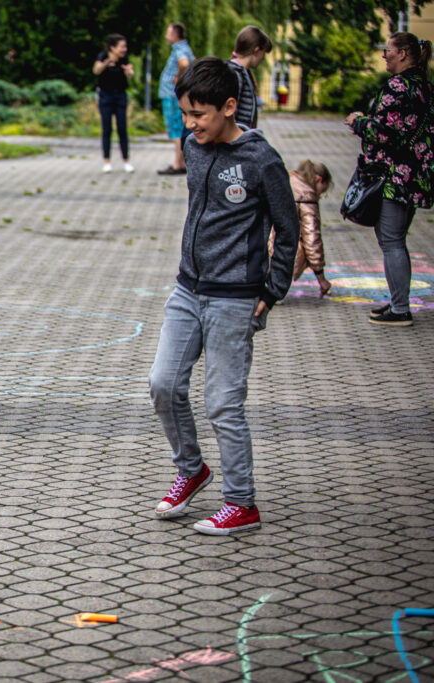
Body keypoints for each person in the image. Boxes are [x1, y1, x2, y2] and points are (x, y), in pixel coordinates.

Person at [148, 57, 299, 535]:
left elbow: (289, 230)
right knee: (163, 385)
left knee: (222, 403)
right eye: (186, 115)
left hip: (235, 298)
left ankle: (241, 503)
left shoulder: (261, 159)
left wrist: (272, 290)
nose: (190, 126)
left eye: (199, 115)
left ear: (230, 107)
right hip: (187, 289)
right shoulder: (195, 148)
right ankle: (192, 471)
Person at [345, 32, 433, 327]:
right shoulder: (424, 87)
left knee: (392, 241)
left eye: (389, 50)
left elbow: (384, 133)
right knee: (393, 239)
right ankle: (398, 302)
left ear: (404, 54)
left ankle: (400, 309)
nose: (384, 55)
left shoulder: (398, 87)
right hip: (413, 174)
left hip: (396, 176)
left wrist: (357, 121)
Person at [286, 160, 333, 297]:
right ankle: (275, 286)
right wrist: (321, 279)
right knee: (303, 247)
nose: (319, 196)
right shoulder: (306, 197)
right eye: (322, 191)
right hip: (277, 255)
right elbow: (312, 239)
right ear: (318, 179)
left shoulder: (285, 181)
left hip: (258, 251)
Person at [94, 33, 135, 173]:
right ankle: (107, 161)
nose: (124, 49)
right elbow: (96, 70)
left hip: (120, 96)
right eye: (122, 46)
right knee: (107, 129)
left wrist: (129, 71)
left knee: (122, 128)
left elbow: (130, 74)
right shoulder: (102, 56)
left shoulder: (124, 59)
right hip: (105, 96)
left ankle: (126, 161)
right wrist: (106, 63)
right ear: (112, 47)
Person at [157, 22, 194, 175]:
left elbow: (184, 63)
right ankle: (182, 163)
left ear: (174, 35)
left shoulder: (179, 49)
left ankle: (177, 164)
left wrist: (178, 76)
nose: (166, 36)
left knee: (176, 129)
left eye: (168, 33)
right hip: (174, 94)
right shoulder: (185, 48)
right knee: (180, 129)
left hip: (172, 94)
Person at [228, 26, 272, 129]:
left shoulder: (242, 72)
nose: (263, 59)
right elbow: (230, 114)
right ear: (256, 51)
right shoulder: (235, 73)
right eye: (263, 53)